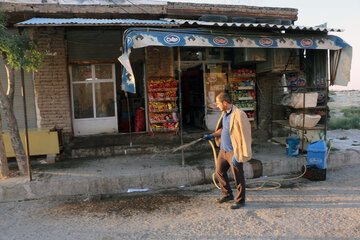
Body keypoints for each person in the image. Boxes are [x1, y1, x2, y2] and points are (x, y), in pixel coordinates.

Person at [204, 92, 252, 209]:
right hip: (223, 150)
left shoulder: (239, 114)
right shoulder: (225, 114)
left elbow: (246, 135)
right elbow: (223, 129)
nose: (217, 105)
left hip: (234, 152)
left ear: (225, 103)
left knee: (238, 177)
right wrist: (212, 135)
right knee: (219, 172)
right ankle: (227, 195)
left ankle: (240, 200)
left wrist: (239, 154)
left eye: (218, 103)